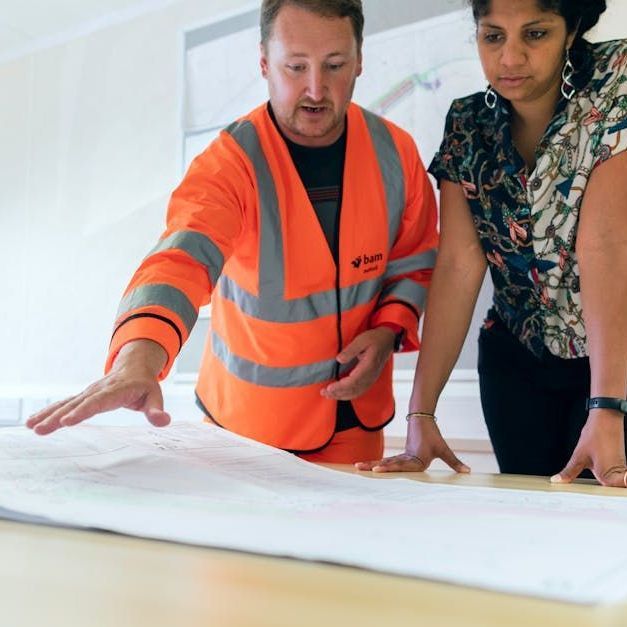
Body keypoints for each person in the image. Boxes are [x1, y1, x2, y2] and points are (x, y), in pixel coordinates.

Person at [26, 0, 438, 464]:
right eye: (295, 67)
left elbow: (414, 261)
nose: (316, 89)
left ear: (360, 60)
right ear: (264, 63)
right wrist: (138, 358)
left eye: (335, 65)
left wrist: (387, 332)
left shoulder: (396, 153)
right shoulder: (228, 164)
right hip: (247, 434)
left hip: (356, 426)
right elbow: (181, 260)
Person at [357, 0, 627, 487]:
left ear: (571, 32)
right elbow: (460, 264)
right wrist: (421, 415)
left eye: (536, 35)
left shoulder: (615, 79)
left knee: (605, 522)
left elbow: (604, 245)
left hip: (615, 357)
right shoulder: (467, 125)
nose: (510, 58)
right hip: (516, 363)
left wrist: (608, 405)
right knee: (530, 521)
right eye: (493, 36)